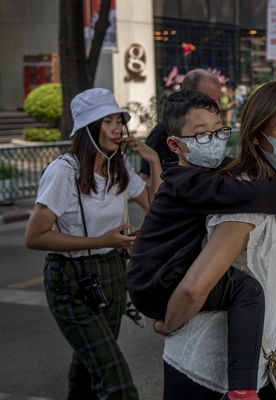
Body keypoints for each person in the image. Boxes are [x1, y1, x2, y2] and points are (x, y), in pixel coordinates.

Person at [126, 89, 276, 400]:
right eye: (201, 135)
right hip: (158, 283)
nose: (213, 140)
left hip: (163, 274)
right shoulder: (192, 182)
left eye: (218, 131)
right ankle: (242, 390)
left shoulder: (210, 174)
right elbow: (245, 194)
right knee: (248, 291)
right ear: (175, 144)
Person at [24, 88, 162, 399]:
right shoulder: (64, 172)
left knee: (90, 368)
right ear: (88, 128)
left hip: (111, 271)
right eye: (108, 121)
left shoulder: (119, 166)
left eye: (119, 121)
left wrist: (153, 161)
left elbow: (154, 208)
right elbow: (35, 236)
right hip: (70, 279)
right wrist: (103, 239)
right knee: (116, 379)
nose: (117, 128)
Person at [140, 68, 222, 184]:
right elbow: (146, 178)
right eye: (201, 133)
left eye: (218, 130)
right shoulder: (162, 133)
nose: (217, 106)